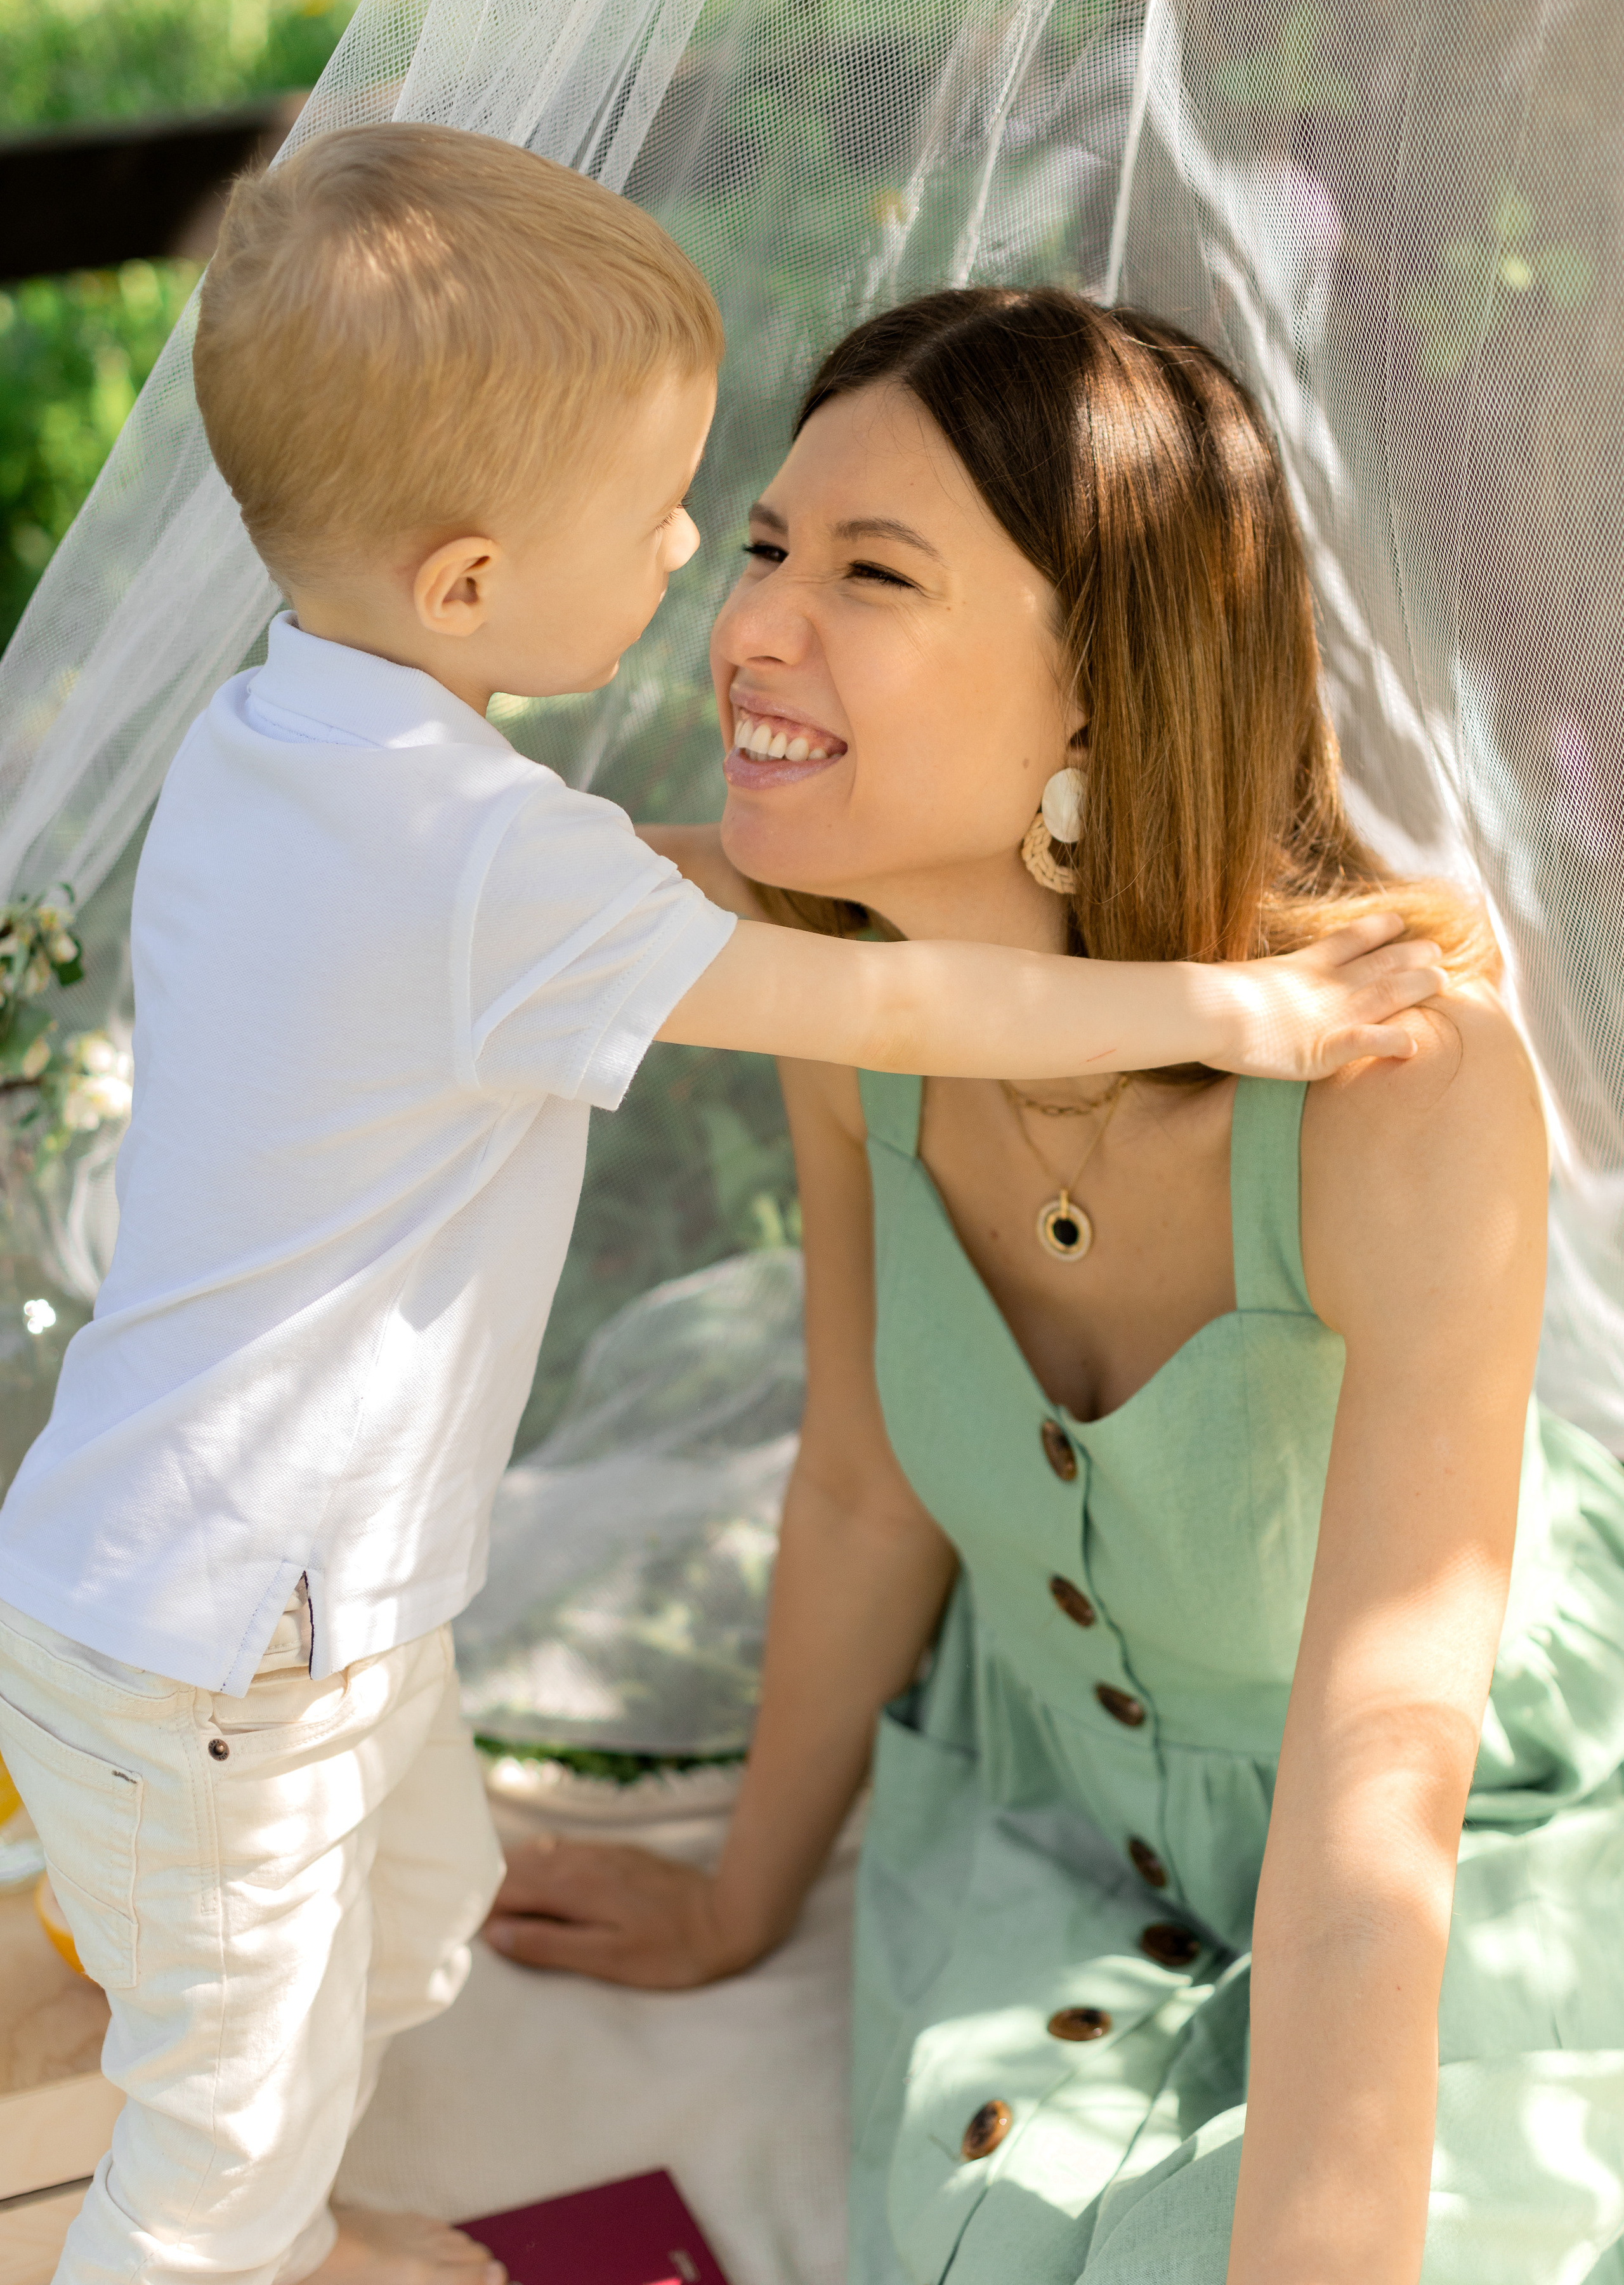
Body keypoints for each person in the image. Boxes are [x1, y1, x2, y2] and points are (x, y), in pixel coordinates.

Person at [0, 144, 1436, 2285]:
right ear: (472, 582)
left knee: (400, 1947)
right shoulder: (494, 873)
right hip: (248, 1634)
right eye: (693, 522)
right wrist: (1238, 1006)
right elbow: (872, 990)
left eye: (844, 560)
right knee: (229, 2116)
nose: (709, 577)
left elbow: (668, 900)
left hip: (215, 1586)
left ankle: (273, 2209)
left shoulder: (293, 745)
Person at [484, 286, 1624, 2284]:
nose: (751, 625)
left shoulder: (1398, 1096)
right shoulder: (842, 1000)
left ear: (1100, 685)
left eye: (871, 572)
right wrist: (747, 1898)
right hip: (1051, 1824)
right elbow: (864, 1482)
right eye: (763, 549)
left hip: (1481, 1839)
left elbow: (1381, 1775)